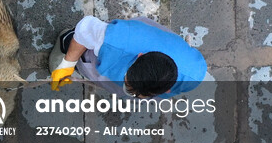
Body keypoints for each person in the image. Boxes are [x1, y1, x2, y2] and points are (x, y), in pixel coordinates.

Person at [49, 16, 207, 98]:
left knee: (115, 86)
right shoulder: (115, 41)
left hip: (154, 38)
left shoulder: (195, 73)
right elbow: (86, 28)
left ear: (167, 90)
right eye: (127, 84)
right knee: (83, 48)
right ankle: (66, 41)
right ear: (139, 57)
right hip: (125, 36)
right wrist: (67, 64)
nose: (138, 97)